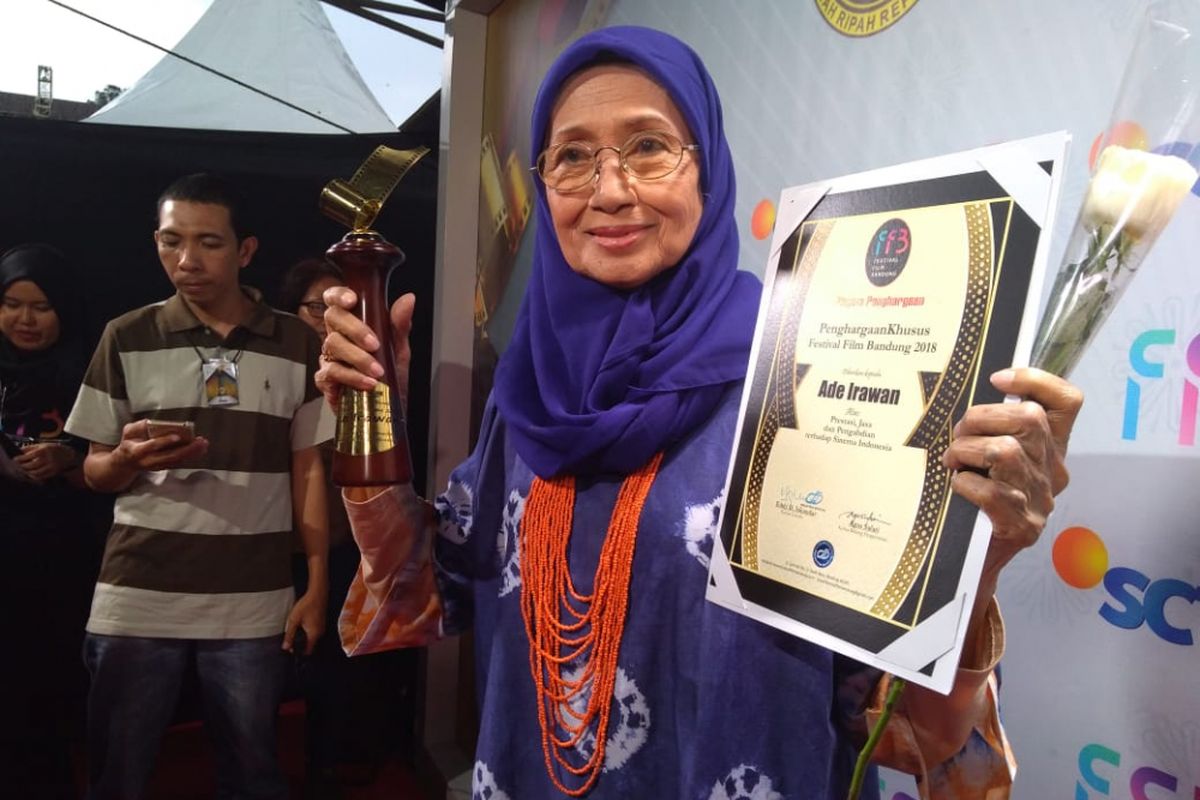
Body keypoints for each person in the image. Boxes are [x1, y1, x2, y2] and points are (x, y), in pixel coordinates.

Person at [317, 28, 1084, 799]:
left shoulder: (801, 381)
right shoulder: (530, 396)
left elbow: (906, 728)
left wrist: (980, 556)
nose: (609, 190)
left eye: (649, 146)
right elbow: (426, 590)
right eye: (573, 155)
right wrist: (371, 422)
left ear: (708, 172)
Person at [65, 174, 334, 799]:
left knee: (253, 771)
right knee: (118, 772)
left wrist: (317, 586)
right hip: (136, 592)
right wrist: (127, 459)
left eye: (208, 242)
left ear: (245, 250)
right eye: (170, 241)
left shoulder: (297, 343)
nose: (186, 261)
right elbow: (92, 469)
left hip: (254, 597)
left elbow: (309, 471)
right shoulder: (126, 335)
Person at [277, 257, 418, 797]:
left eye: (343, 308)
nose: (328, 318)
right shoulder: (280, 369)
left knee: (344, 666)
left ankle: (342, 762)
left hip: (351, 544)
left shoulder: (369, 372)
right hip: (281, 544)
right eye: (316, 306)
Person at [0, 243, 106, 799]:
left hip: (65, 556)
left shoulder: (89, 369)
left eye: (40, 305)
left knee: (53, 685)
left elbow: (115, 458)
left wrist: (69, 456)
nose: (24, 319)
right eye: (12, 304)